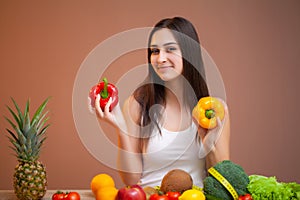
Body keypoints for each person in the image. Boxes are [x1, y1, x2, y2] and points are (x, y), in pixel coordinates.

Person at [93, 16, 230, 188]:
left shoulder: (215, 110)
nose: (160, 58)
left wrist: (209, 145)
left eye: (170, 49)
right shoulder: (137, 105)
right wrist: (121, 130)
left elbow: (223, 181)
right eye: (155, 51)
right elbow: (131, 180)